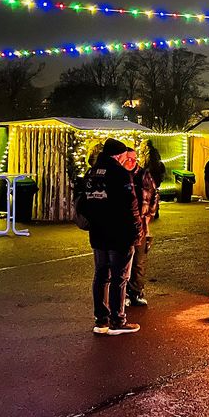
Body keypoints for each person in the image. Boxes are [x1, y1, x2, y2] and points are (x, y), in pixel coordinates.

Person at [78, 138, 142, 335]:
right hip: (119, 232)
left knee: (101, 275)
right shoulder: (120, 173)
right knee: (119, 277)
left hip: (98, 232)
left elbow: (83, 203)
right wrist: (137, 230)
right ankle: (117, 320)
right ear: (119, 155)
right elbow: (129, 205)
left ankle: (101, 319)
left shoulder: (91, 173)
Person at [123, 148, 159, 307]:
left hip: (141, 225)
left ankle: (136, 292)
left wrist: (148, 217)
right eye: (128, 159)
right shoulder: (119, 175)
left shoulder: (144, 175)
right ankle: (122, 295)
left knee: (139, 261)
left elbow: (154, 197)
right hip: (123, 224)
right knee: (122, 261)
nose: (131, 162)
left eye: (134, 159)